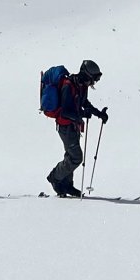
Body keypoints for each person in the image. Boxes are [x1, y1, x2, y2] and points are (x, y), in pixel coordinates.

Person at [43, 58, 107, 198]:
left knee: (70, 155)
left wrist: (99, 114)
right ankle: (55, 177)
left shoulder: (81, 85)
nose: (93, 83)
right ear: (86, 75)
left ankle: (67, 185)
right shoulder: (68, 85)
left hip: (73, 126)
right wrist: (82, 114)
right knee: (76, 158)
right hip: (65, 127)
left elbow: (84, 102)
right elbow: (66, 111)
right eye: (93, 80)